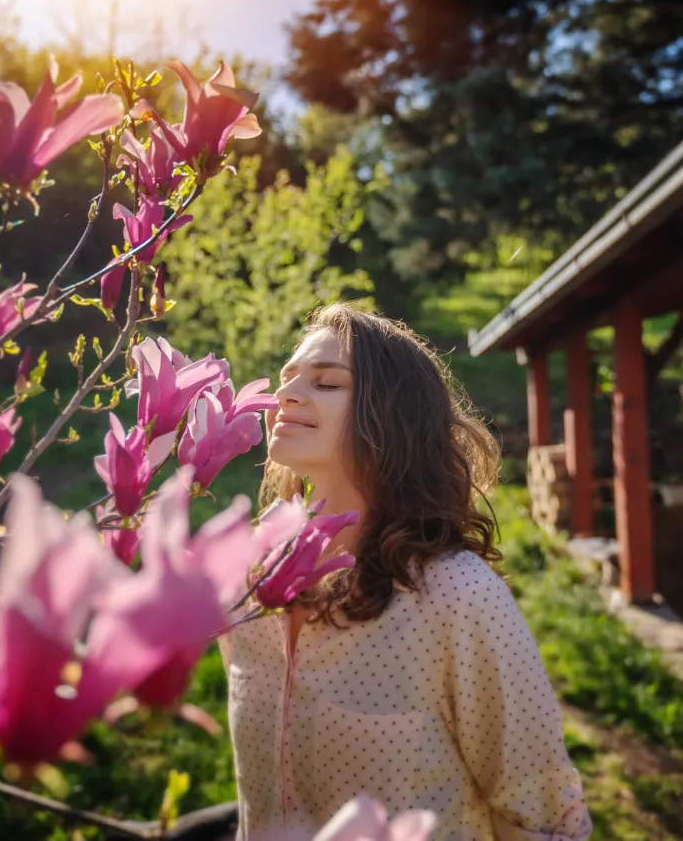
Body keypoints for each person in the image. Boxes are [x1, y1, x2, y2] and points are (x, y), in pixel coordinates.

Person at [222, 304, 592, 841]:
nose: (284, 394)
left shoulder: (456, 595)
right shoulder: (247, 580)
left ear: (391, 413)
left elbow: (542, 814)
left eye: (326, 382)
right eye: (288, 376)